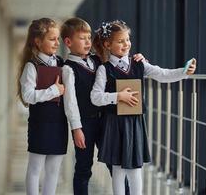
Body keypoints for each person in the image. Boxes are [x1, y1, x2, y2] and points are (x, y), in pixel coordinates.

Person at [91, 20, 196, 195]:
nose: (126, 44)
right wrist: (118, 97)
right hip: (115, 123)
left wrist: (184, 72)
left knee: (135, 169)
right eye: (120, 41)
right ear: (108, 44)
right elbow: (95, 97)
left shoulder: (139, 64)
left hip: (135, 123)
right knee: (118, 170)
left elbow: (163, 74)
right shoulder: (104, 69)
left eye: (127, 39)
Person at [60, 17, 144, 195]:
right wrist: (76, 128)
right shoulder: (69, 68)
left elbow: (119, 60)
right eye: (82, 38)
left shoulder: (98, 61)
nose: (87, 41)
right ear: (68, 42)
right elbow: (71, 102)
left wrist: (138, 57)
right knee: (84, 167)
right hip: (85, 125)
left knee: (115, 165)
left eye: (89, 37)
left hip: (107, 121)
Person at [17, 18, 68, 195]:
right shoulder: (32, 66)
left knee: (54, 170)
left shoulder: (61, 63)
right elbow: (28, 96)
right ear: (38, 42)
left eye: (58, 39)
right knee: (35, 168)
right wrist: (54, 90)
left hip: (59, 123)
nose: (57, 43)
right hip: (40, 123)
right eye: (52, 39)